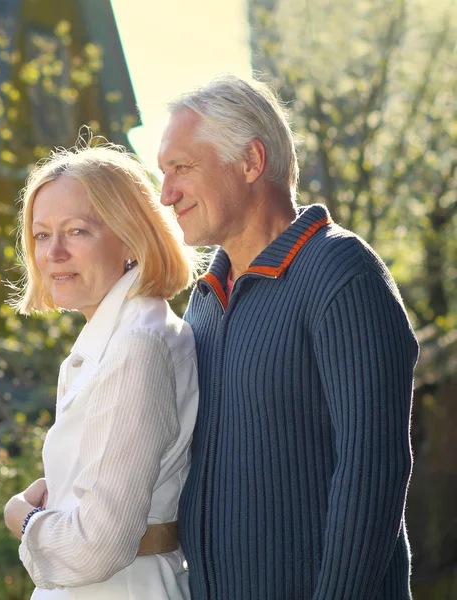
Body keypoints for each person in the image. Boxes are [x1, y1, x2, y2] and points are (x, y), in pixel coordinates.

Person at [158, 74, 419, 600]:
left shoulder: (341, 273)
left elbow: (373, 467)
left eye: (181, 168)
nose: (166, 194)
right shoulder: (204, 301)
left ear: (251, 162)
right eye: (164, 173)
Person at [3, 142, 201, 599]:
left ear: (131, 238)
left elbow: (96, 547)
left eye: (76, 231)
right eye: (40, 235)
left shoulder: (137, 345)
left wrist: (24, 519)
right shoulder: (115, 335)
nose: (53, 253)